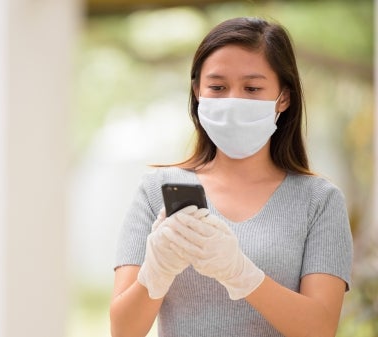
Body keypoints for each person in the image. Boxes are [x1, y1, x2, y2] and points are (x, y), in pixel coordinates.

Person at [110, 17, 353, 337]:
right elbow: (123, 331)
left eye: (252, 88)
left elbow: (320, 329)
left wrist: (242, 275)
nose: (233, 101)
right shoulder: (155, 191)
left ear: (284, 97)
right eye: (218, 87)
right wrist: (155, 274)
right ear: (198, 91)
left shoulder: (319, 201)